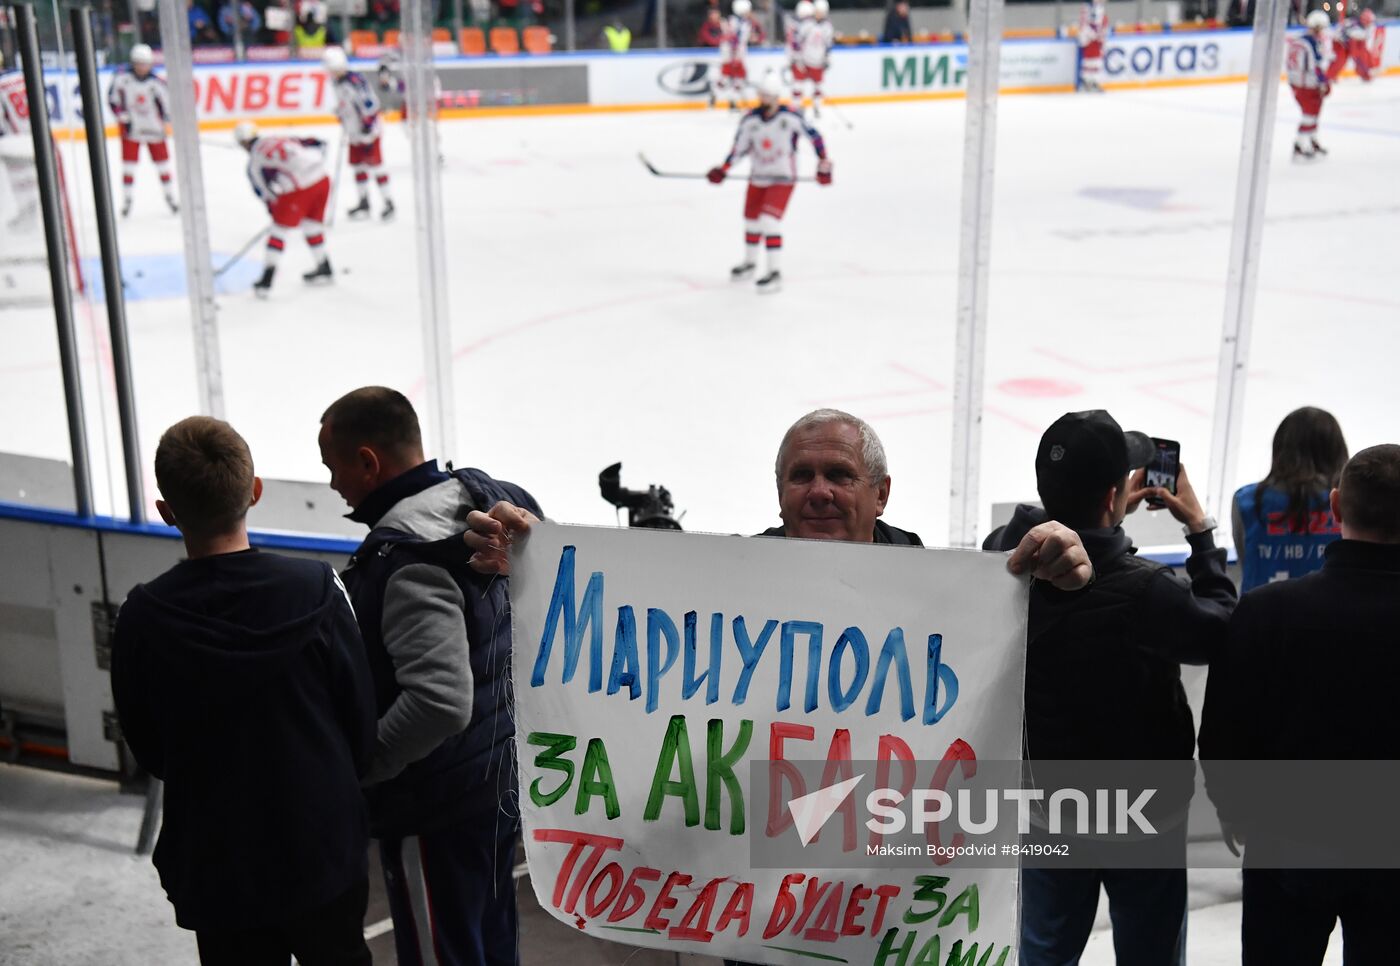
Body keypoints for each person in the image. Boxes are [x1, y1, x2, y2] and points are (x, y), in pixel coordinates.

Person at [110, 416, 376, 966]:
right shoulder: (319, 589)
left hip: (217, 858)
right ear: (255, 492)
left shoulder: (142, 616)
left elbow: (150, 750)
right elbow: (360, 725)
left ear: (167, 512)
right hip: (319, 847)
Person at [982, 409, 1238, 966]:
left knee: (1043, 950)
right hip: (1144, 819)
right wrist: (1200, 531)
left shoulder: (1003, 560)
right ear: (1115, 495)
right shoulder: (1149, 593)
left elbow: (1025, 534)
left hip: (1051, 810)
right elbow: (1221, 629)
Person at [318, 386, 543, 966]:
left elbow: (440, 702)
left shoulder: (405, 558)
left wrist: (366, 765)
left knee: (446, 952)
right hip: (500, 779)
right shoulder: (498, 499)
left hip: (435, 807)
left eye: (333, 466)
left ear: (368, 463)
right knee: (492, 943)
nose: (333, 485)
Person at [1199, 444, 1400, 966]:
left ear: (1334, 507)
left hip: (1286, 840)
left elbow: (1224, 728)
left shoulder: (1267, 611)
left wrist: (1231, 806)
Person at [707, 72, 832, 294]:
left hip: (783, 178)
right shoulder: (750, 120)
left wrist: (823, 164)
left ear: (776, 97)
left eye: (769, 96)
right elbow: (739, 149)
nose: (764, 100)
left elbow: (815, 137)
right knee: (751, 222)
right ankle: (749, 263)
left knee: (769, 222)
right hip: (759, 177)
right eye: (762, 95)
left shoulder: (790, 117)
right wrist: (723, 169)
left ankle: (775, 272)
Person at [1232, 406, 1348, 592]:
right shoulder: (1350, 499)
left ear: (1280, 449)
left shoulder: (1247, 500)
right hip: (1336, 614)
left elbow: (1247, 560)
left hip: (1262, 615)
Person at [235, 121, 334, 296]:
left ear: (243, 143)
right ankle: (324, 266)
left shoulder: (254, 164)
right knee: (311, 226)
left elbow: (264, 192)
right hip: (322, 179)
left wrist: (274, 209)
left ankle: (266, 280)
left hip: (302, 188)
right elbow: (315, 142)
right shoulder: (277, 138)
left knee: (278, 232)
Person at [323, 46, 395, 221]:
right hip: (354, 131)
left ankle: (388, 203)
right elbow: (345, 104)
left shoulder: (355, 81)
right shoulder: (336, 82)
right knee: (358, 166)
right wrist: (342, 114)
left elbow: (369, 104)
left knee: (376, 166)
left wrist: (367, 128)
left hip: (367, 132)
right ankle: (364, 202)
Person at [107, 43, 178, 217]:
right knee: (129, 167)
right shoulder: (122, 79)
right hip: (132, 130)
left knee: (163, 166)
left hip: (154, 129)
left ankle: (170, 197)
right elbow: (113, 100)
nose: (142, 67)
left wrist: (167, 120)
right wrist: (121, 115)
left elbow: (168, 106)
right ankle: (127, 200)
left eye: (145, 63)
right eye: (139, 63)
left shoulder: (157, 83)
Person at [1287, 10, 1335, 161]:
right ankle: (1300, 145)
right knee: (1310, 115)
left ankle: (1311, 140)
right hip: (1308, 85)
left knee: (1312, 114)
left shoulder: (1299, 40)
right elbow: (1316, 66)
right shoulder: (1312, 42)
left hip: (1297, 83)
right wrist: (1323, 82)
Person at [712, 0, 755, 111]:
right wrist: (735, 54)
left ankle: (719, 94)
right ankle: (731, 100)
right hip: (733, 53)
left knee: (730, 76)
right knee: (736, 76)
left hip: (731, 52)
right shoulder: (740, 23)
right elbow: (734, 39)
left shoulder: (733, 20)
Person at [795, 0, 834, 118]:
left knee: (818, 86)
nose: (820, 14)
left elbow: (828, 45)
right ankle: (798, 107)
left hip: (818, 61)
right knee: (798, 85)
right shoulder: (807, 24)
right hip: (805, 60)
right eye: (818, 11)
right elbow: (798, 42)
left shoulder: (827, 27)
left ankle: (816, 107)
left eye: (822, 12)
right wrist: (798, 58)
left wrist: (827, 58)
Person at [1077, 0, 1109, 92]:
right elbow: (1084, 23)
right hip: (1088, 37)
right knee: (1089, 60)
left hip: (1096, 37)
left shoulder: (1100, 8)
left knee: (1097, 60)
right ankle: (1086, 81)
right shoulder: (1087, 7)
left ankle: (1094, 80)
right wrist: (1090, 34)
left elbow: (1102, 23)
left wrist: (1101, 36)